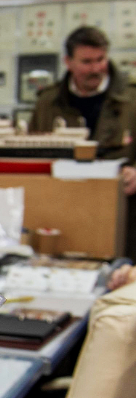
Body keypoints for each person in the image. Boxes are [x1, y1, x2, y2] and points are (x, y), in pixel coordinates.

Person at [32, 26, 136, 256]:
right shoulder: (47, 102)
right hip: (62, 211)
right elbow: (32, 154)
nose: (96, 68)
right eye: (87, 62)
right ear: (68, 61)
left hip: (123, 216)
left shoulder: (131, 99)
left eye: (101, 60)